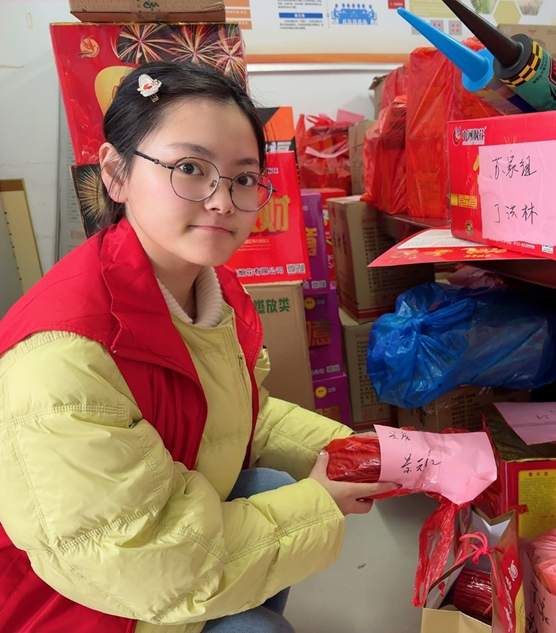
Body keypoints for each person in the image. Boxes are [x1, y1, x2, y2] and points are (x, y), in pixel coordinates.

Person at [0, 61, 396, 633]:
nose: (222, 201)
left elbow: (243, 418)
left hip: (144, 562)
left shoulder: (211, 290)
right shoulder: (62, 359)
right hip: (82, 607)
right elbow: (147, 563)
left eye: (243, 177)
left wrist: (353, 450)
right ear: (115, 174)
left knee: (272, 489)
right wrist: (320, 500)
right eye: (190, 168)